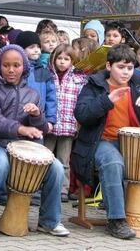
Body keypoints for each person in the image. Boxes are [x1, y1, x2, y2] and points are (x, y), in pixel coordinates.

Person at [73, 44, 140, 239]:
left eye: (130, 68)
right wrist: (107, 100)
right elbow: (81, 114)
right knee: (113, 162)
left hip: (134, 144)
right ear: (109, 66)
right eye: (121, 67)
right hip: (103, 142)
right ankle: (116, 221)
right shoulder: (94, 86)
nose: (126, 72)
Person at [0, 44, 70, 239]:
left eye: (16, 65)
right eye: (6, 65)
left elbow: (41, 128)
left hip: (20, 149)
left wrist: (37, 115)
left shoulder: (32, 94)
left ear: (24, 67)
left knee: (55, 166)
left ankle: (49, 221)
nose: (11, 70)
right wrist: (20, 128)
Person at [46, 43, 87, 201]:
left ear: (72, 61)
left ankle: (63, 189)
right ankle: (43, 185)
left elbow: (81, 101)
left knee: (64, 160)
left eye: (66, 59)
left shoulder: (79, 79)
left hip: (68, 125)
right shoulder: (47, 75)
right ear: (54, 59)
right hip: (50, 125)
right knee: (45, 158)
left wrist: (78, 123)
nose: (62, 62)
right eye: (59, 58)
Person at [16, 31, 57, 131]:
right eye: (31, 47)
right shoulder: (17, 70)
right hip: (17, 121)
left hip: (38, 121)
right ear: (21, 49)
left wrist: (50, 120)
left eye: (38, 47)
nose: (36, 50)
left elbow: (51, 97)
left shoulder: (44, 71)